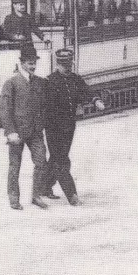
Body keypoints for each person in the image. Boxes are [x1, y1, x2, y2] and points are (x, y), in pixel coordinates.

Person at [44, 48, 105, 206]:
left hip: (69, 126)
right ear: (58, 64)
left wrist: (96, 101)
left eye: (69, 64)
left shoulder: (75, 79)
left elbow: (86, 91)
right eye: (64, 65)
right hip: (54, 128)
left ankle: (44, 186)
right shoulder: (50, 81)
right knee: (62, 160)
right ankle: (72, 195)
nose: (67, 67)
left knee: (56, 158)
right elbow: (46, 107)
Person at [0, 43, 49, 210]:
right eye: (29, 63)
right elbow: (5, 110)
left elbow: (44, 105)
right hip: (17, 133)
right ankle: (14, 199)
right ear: (22, 63)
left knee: (41, 162)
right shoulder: (11, 83)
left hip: (35, 131)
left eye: (34, 62)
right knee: (15, 166)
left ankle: (36, 196)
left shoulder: (39, 82)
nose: (33, 66)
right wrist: (10, 132)